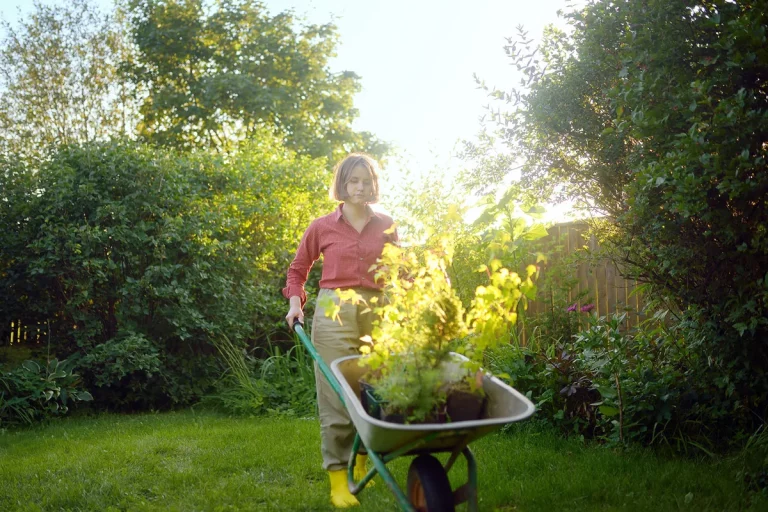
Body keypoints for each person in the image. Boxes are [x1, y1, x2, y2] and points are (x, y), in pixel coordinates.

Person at [283, 153, 397, 508]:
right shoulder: (322, 226)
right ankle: (337, 479)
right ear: (342, 185)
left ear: (374, 184)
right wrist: (295, 303)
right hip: (333, 311)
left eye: (366, 180)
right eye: (353, 181)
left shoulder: (387, 224)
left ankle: (361, 461)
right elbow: (298, 269)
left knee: (375, 391)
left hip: (376, 312)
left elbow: (398, 271)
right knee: (336, 396)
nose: (360, 187)